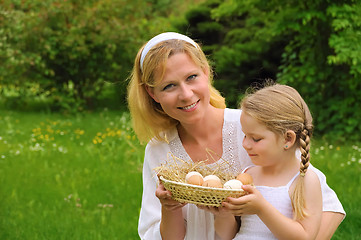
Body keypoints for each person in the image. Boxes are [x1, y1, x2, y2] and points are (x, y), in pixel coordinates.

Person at [127, 32, 345, 240]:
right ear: (152, 93)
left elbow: (329, 207)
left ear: (206, 72)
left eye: (191, 77)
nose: (185, 95)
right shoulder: (160, 149)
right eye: (169, 86)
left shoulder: (252, 129)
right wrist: (169, 208)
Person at [214, 83, 342, 240]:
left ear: (288, 139)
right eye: (245, 135)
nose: (245, 144)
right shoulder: (248, 174)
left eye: (256, 138)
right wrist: (223, 215)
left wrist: (262, 208)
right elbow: (229, 235)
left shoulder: (305, 180)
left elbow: (304, 237)